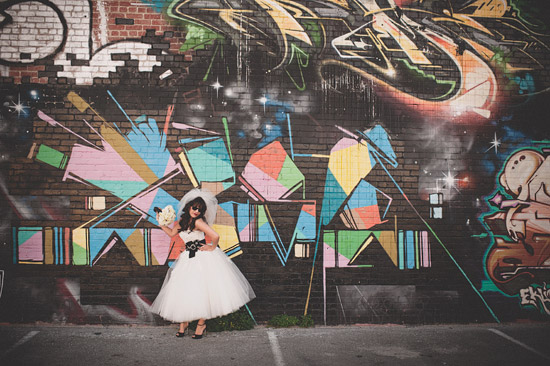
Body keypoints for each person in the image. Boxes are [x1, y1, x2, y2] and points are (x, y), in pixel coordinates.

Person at [150, 188, 256, 339]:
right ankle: (184, 322)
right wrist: (161, 222)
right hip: (187, 258)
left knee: (204, 290)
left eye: (200, 209)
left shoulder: (199, 222)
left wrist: (211, 247)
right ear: (188, 207)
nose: (196, 211)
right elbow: (172, 234)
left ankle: (201, 324)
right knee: (186, 289)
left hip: (202, 258)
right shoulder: (181, 222)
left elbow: (215, 235)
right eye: (194, 208)